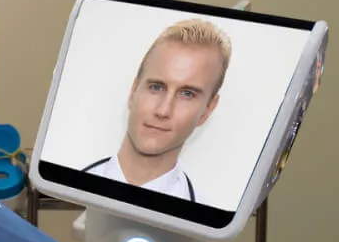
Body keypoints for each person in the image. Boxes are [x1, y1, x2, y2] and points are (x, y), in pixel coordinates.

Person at [82, 17, 231, 202]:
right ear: (133, 91)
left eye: (187, 93)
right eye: (157, 87)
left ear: (207, 110)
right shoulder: (56, 191)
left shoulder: (208, 225)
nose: (163, 110)